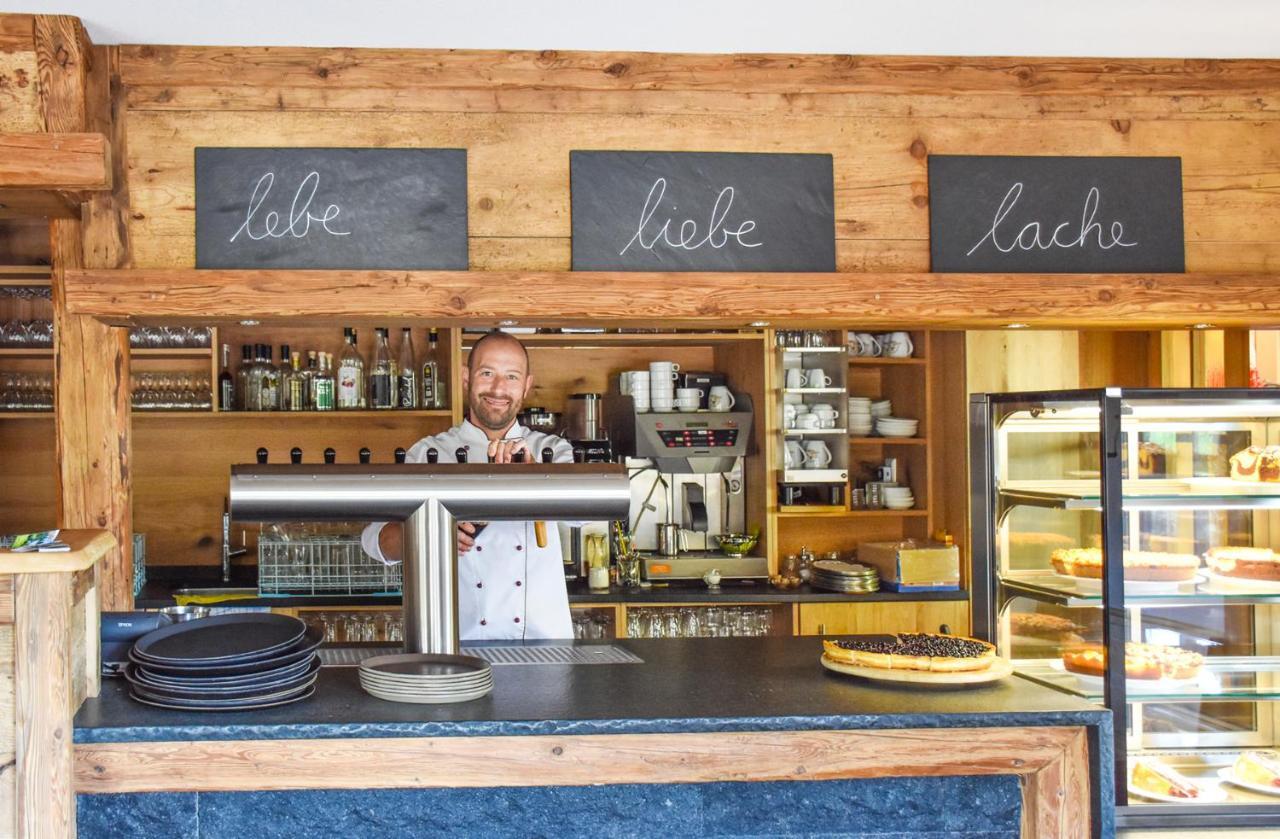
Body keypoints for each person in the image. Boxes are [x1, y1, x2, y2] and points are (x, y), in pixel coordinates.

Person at [361, 331, 575, 640]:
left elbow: (591, 515)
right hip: (455, 645)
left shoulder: (552, 452)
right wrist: (429, 533)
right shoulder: (429, 454)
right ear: (466, 377)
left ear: (526, 385)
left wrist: (536, 481)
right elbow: (374, 542)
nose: (499, 389)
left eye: (511, 377)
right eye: (487, 373)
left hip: (544, 647)